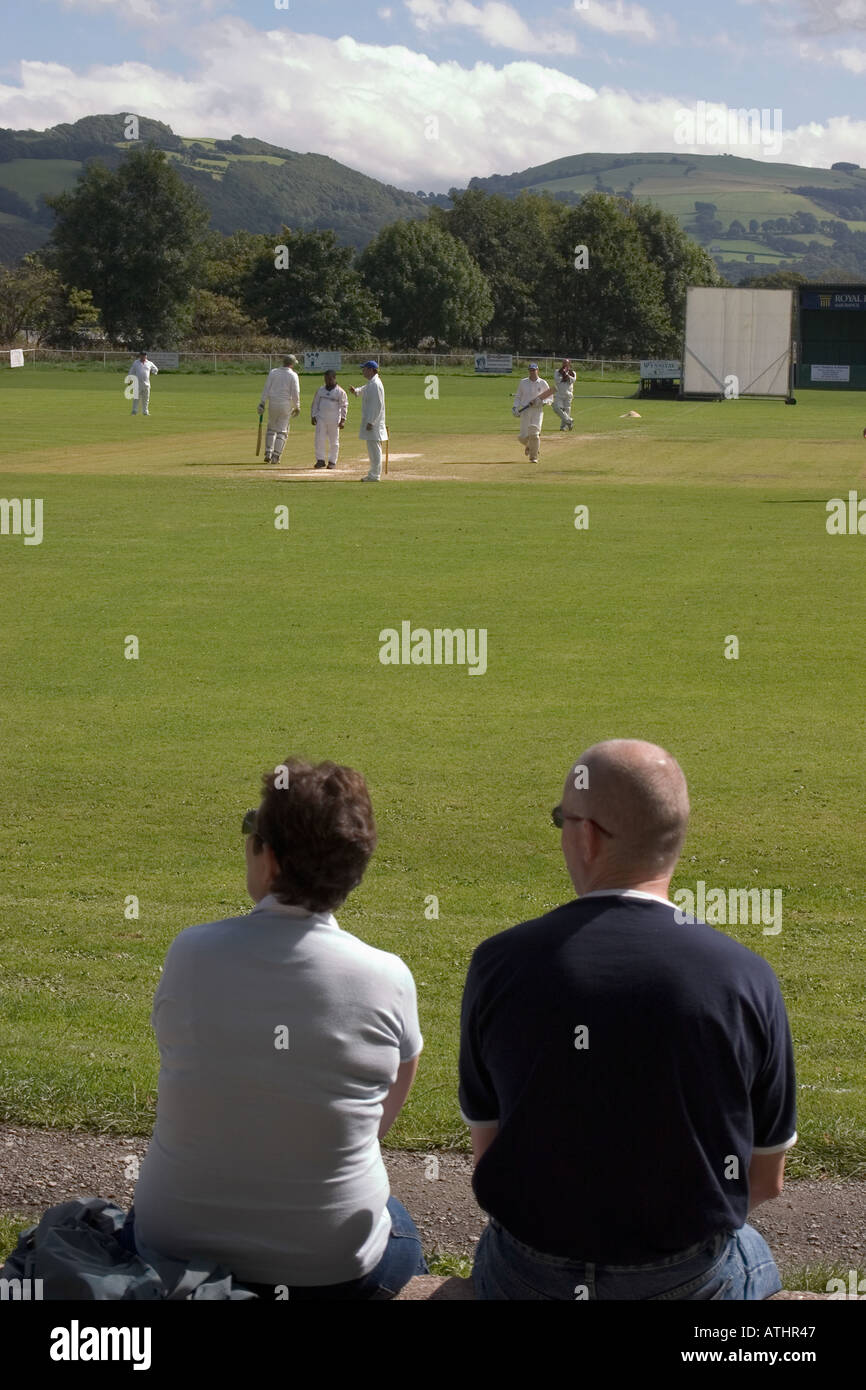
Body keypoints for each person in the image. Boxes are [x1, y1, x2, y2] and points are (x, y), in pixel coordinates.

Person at [459, 738, 796, 1301]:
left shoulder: (499, 963)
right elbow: (765, 1180)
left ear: (586, 836)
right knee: (751, 1251)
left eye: (560, 819)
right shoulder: (745, 976)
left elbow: (489, 1154)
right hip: (685, 1279)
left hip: (528, 1276)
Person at [130, 757, 428, 1299]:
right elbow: (383, 1111)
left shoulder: (191, 953)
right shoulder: (388, 977)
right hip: (333, 1268)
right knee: (399, 1230)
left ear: (269, 859)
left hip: (172, 1249)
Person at [258, 355, 300, 464]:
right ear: (292, 364)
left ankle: (268, 452)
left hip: (273, 403)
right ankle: (275, 456)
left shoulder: (273, 372)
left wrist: (262, 403)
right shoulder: (293, 375)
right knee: (282, 431)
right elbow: (295, 393)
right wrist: (297, 406)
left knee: (271, 428)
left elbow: (266, 388)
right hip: (285, 404)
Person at [349, 361, 387, 481]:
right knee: (372, 448)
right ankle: (373, 474)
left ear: (371, 370)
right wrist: (356, 391)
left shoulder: (376, 384)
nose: (363, 371)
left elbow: (378, 405)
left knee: (374, 449)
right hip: (371, 422)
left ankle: (375, 475)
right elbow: (364, 389)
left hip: (373, 423)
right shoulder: (371, 383)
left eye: (364, 369)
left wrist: (371, 422)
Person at [511, 362, 553, 462]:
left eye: (534, 370)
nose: (532, 372)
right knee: (522, 437)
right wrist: (515, 407)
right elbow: (518, 396)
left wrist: (542, 402)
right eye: (531, 370)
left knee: (535, 433)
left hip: (537, 412)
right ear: (529, 371)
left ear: (537, 370)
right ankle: (531, 446)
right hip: (525, 411)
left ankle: (533, 457)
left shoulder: (543, 383)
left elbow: (550, 398)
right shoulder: (523, 382)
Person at [311, 369, 349, 469]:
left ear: (334, 378)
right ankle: (320, 460)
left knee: (334, 441)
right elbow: (315, 403)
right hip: (321, 418)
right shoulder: (320, 390)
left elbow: (344, 406)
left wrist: (343, 419)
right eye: (325, 379)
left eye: (329, 379)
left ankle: (332, 461)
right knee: (319, 439)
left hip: (334, 419)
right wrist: (313, 415)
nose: (327, 381)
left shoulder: (340, 392)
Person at [129, 350, 158, 417]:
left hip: (146, 384)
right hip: (137, 383)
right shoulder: (136, 363)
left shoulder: (149, 363)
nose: (143, 356)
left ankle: (145, 412)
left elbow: (156, 369)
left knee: (146, 399)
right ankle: (134, 411)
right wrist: (130, 379)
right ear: (140, 356)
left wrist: (153, 372)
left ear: (146, 356)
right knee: (136, 398)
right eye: (142, 355)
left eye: (144, 355)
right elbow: (131, 371)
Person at [551, 358, 576, 431]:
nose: (564, 364)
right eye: (563, 363)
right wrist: (563, 375)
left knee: (567, 410)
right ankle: (569, 420)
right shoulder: (557, 372)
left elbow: (572, 380)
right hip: (559, 393)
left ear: (569, 364)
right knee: (556, 408)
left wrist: (566, 374)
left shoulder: (573, 372)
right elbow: (557, 380)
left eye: (566, 363)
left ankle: (563, 427)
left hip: (568, 394)